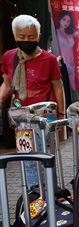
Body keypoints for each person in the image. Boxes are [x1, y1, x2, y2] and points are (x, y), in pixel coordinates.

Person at [0, 14, 64, 187]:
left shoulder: (49, 59)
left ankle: (49, 193)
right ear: (14, 36)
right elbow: (6, 85)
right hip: (21, 119)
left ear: (39, 36)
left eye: (31, 36)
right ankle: (35, 196)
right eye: (22, 37)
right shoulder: (8, 57)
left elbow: (58, 86)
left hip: (45, 117)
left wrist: (60, 114)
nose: (27, 40)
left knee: (44, 158)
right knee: (28, 159)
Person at [55, 10, 78, 91]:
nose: (66, 23)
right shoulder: (56, 33)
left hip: (72, 64)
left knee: (73, 88)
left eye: (68, 21)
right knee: (64, 89)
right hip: (62, 64)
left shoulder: (70, 33)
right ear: (60, 19)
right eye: (64, 19)